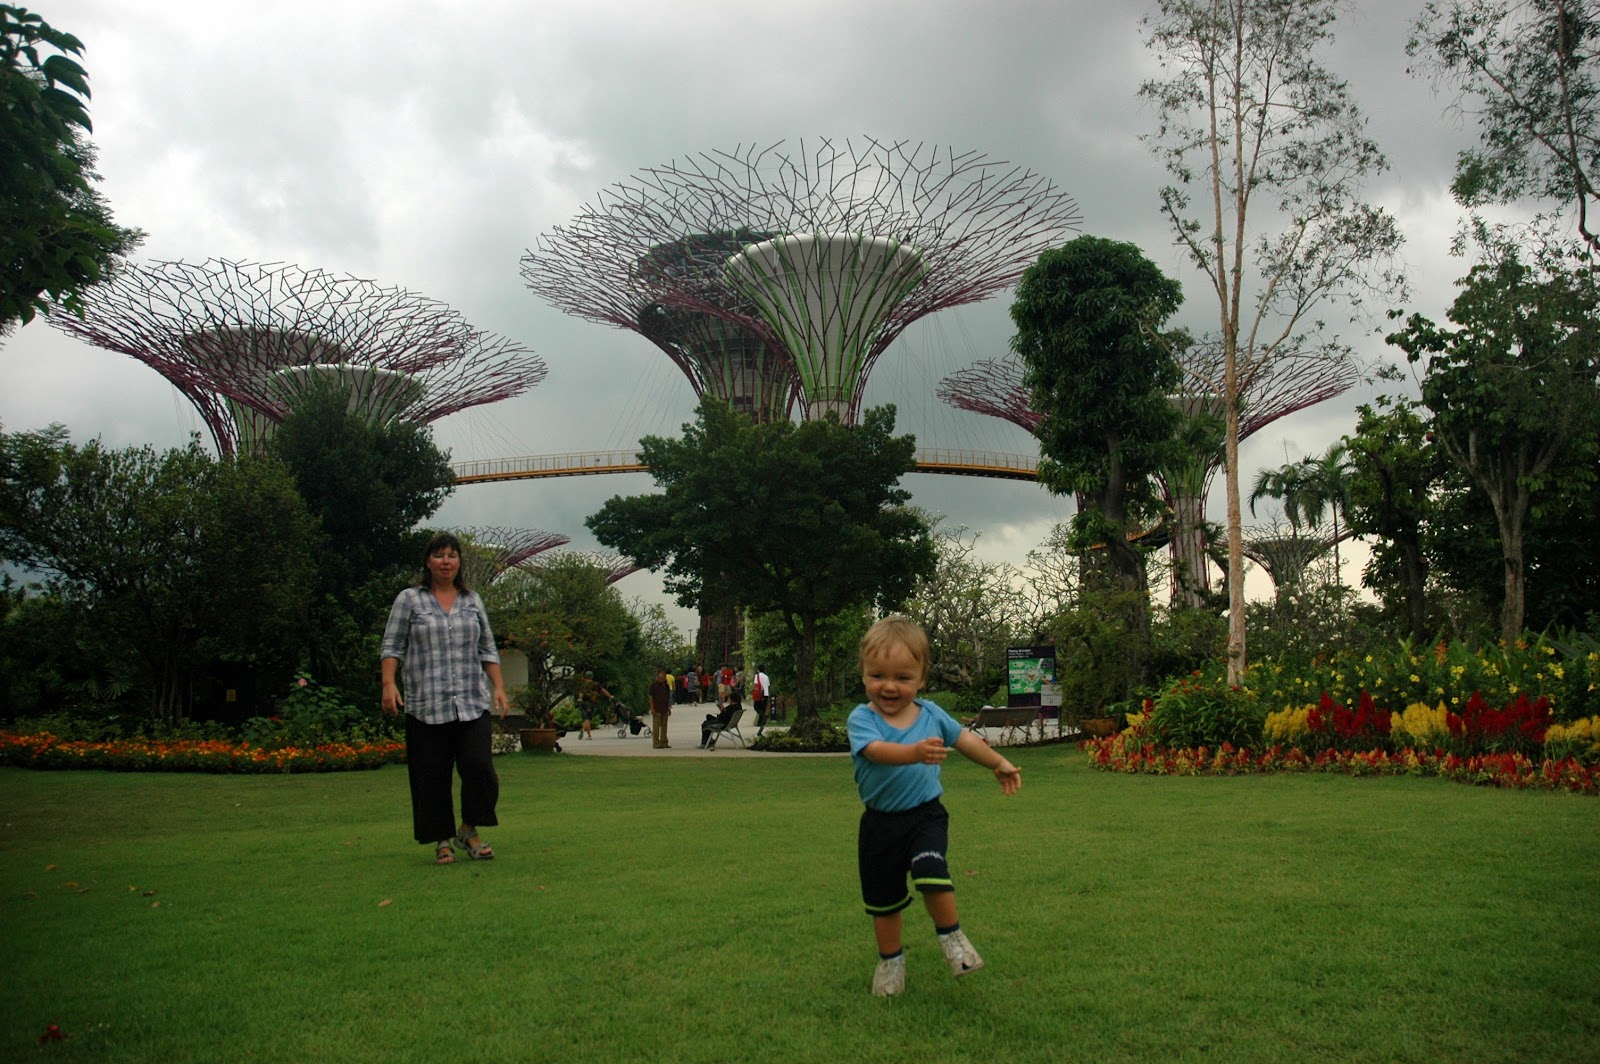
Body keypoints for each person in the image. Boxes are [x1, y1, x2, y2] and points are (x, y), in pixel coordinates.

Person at [847, 616, 1021, 996]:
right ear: (863, 674)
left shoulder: (930, 714)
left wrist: (998, 763)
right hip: (879, 825)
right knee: (884, 901)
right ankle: (891, 962)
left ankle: (953, 939)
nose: (889, 686)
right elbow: (876, 752)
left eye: (903, 678)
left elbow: (965, 740)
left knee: (930, 869)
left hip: (925, 815)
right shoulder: (862, 718)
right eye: (878, 675)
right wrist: (913, 752)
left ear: (921, 678)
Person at [381, 532, 510, 866]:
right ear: (428, 561)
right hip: (426, 703)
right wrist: (388, 684)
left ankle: (468, 829)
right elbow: (392, 646)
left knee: (479, 768)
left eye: (452, 555)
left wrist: (498, 687)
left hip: (471, 700)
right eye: (439, 555)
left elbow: (487, 648)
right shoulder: (409, 600)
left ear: (459, 561)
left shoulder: (472, 600)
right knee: (431, 775)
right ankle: (441, 839)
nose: (446, 561)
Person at [576, 671, 612, 740]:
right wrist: (610, 696)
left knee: (586, 719)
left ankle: (589, 735)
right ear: (592, 677)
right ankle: (584, 729)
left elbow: (581, 693)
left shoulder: (584, 685)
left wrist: (580, 698)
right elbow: (603, 691)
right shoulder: (596, 684)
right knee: (588, 719)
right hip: (593, 704)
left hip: (584, 703)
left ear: (585, 676)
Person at [648, 667, 672, 749]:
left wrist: (668, 707)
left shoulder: (666, 685)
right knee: (656, 727)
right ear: (658, 676)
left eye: (664, 676)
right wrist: (652, 708)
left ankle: (664, 742)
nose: (663, 677)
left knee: (664, 726)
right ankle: (656, 743)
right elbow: (650, 697)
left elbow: (668, 697)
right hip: (657, 708)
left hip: (664, 707)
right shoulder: (654, 685)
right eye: (662, 676)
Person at [749, 665, 773, 735]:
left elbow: (755, 684)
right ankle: (760, 722)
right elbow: (768, 685)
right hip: (765, 694)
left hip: (759, 694)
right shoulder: (766, 676)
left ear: (758, 669)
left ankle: (763, 717)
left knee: (756, 707)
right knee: (763, 708)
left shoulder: (757, 676)